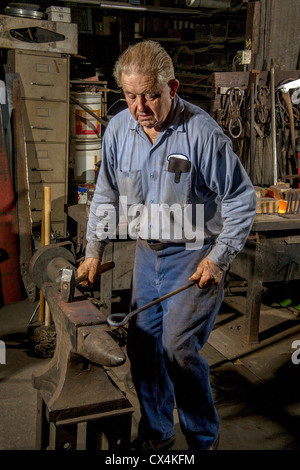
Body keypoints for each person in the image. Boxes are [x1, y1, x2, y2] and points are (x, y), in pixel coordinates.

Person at [77, 40, 257, 450]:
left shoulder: (202, 133)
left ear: (172, 87)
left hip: (194, 255)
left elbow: (241, 199)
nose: (140, 106)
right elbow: (104, 194)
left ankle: (201, 441)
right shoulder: (120, 129)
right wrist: (93, 251)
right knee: (143, 352)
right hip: (146, 255)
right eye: (130, 95)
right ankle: (157, 436)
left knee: (177, 348)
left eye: (151, 95)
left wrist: (218, 258)